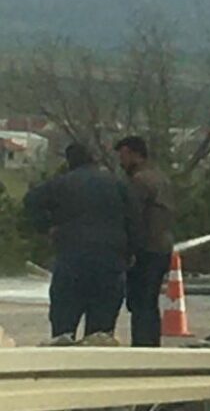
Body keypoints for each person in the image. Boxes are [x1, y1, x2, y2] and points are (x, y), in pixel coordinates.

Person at [24, 143, 131, 340]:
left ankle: (63, 364)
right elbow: (135, 221)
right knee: (101, 333)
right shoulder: (117, 185)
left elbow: (31, 200)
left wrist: (47, 227)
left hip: (72, 262)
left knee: (64, 327)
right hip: (110, 263)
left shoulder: (61, 184)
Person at [115, 136, 175, 347]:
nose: (121, 161)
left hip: (146, 249)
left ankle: (142, 345)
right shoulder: (160, 177)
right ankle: (151, 343)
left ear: (134, 154)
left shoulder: (139, 181)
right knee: (149, 301)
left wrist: (127, 248)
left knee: (140, 302)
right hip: (162, 246)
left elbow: (131, 216)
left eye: (123, 155)